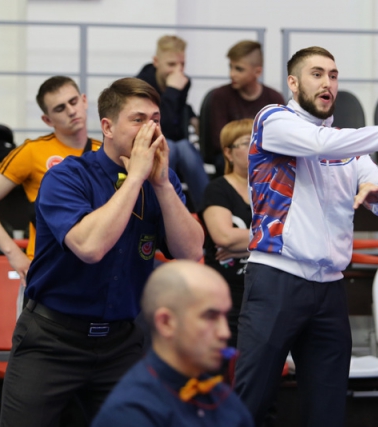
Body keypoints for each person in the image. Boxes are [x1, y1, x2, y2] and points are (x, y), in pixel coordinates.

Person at [234, 46, 378, 427]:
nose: (328, 83)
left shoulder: (348, 144)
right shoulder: (274, 119)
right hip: (277, 279)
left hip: (329, 288)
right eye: (317, 74)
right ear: (293, 83)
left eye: (334, 75)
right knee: (251, 402)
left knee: (328, 410)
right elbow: (318, 144)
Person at [0, 77, 204, 427]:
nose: (151, 130)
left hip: (121, 343)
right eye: (138, 120)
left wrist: (161, 185)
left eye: (155, 119)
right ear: (107, 127)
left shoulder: (161, 181)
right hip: (51, 340)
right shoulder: (67, 177)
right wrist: (135, 178)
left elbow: (191, 252)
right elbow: (90, 248)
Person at [91, 260, 253, 427]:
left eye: (225, 317)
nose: (225, 332)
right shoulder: (130, 412)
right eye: (210, 317)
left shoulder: (224, 399)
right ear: (166, 323)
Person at [0, 75, 101, 284]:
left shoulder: (106, 152)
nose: (71, 111)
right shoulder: (32, 151)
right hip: (47, 269)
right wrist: (13, 253)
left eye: (73, 101)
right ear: (47, 120)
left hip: (97, 270)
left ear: (84, 101)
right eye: (60, 108)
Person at [137, 34, 209, 211]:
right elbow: (160, 123)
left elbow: (180, 107)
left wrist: (192, 117)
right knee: (174, 147)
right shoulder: (142, 84)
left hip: (176, 143)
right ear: (156, 62)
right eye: (171, 64)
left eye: (182, 64)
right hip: (150, 143)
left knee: (183, 147)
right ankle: (165, 209)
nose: (178, 70)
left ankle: (208, 210)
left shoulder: (183, 81)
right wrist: (172, 90)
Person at [201, 118, 252, 348]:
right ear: (228, 153)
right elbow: (224, 237)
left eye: (259, 141)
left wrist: (246, 246)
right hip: (226, 295)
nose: (255, 147)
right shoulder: (217, 189)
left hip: (264, 292)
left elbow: (294, 235)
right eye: (247, 142)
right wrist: (273, 240)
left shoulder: (274, 188)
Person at [207, 40, 285, 176]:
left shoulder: (274, 99)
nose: (232, 74)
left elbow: (280, 138)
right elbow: (220, 141)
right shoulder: (220, 96)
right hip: (231, 157)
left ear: (257, 71)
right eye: (231, 67)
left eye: (239, 69)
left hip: (266, 158)